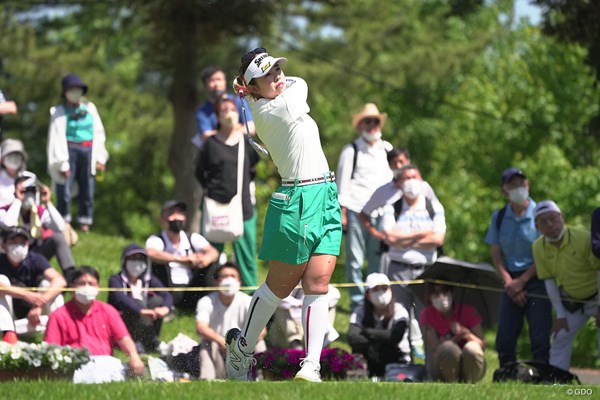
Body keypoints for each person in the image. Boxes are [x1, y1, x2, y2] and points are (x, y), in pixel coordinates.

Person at [226, 47, 342, 382]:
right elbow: (300, 81)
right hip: (299, 199)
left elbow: (286, 81)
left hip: (325, 195)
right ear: (253, 88)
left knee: (319, 282)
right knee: (279, 287)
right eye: (267, 76)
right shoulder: (283, 104)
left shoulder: (266, 101)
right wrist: (248, 89)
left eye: (277, 70)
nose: (278, 77)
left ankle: (311, 366)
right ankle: (242, 351)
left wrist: (248, 88)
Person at [484, 167, 551, 368]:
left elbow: (546, 254)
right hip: (510, 281)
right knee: (505, 336)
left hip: (537, 278)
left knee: (539, 335)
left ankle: (542, 374)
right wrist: (509, 282)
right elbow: (496, 252)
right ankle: (507, 374)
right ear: (504, 190)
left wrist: (522, 282)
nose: (518, 188)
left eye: (521, 183)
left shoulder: (541, 214)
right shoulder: (500, 216)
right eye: (512, 185)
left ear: (528, 185)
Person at [195, 95, 261, 287]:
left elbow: (253, 169)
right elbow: (199, 172)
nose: (228, 113)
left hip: (243, 207)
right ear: (216, 116)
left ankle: (249, 294)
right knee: (210, 254)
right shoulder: (210, 143)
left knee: (246, 255)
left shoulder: (246, 142)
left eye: (232, 109)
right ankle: (208, 293)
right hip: (214, 206)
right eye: (223, 110)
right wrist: (212, 192)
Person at [336, 103, 393, 309]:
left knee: (377, 261)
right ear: (360, 125)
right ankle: (358, 303)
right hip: (356, 209)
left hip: (381, 212)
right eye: (367, 121)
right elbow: (342, 184)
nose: (372, 125)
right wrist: (342, 212)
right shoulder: (351, 150)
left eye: (375, 121)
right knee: (355, 260)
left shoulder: (387, 150)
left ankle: (375, 302)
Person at [532, 200, 600, 371]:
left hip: (597, 296)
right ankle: (557, 381)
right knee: (560, 336)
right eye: (543, 222)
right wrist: (560, 315)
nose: (550, 225)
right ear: (536, 226)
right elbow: (549, 280)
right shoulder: (538, 247)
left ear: (562, 217)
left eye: (553, 218)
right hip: (573, 301)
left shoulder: (583, 238)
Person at [44, 266, 145, 378]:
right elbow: (50, 349)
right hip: (74, 367)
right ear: (72, 287)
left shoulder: (108, 311)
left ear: (97, 287)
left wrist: (134, 356)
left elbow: (123, 338)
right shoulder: (58, 316)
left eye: (91, 284)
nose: (87, 287)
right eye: (82, 283)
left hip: (106, 364)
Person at [379, 164, 446, 315]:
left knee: (427, 319)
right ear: (398, 183)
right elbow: (389, 238)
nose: (411, 181)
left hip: (426, 271)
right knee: (398, 316)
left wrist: (402, 240)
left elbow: (438, 239)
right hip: (397, 270)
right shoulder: (391, 208)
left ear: (422, 180)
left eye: (414, 177)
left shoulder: (434, 207)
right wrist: (423, 234)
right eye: (407, 178)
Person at [47, 73, 109, 233]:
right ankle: (63, 221)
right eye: (71, 89)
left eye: (77, 89)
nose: (75, 92)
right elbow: (56, 137)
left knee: (87, 187)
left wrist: (100, 157)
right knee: (64, 188)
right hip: (69, 151)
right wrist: (62, 162)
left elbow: (99, 133)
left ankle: (85, 222)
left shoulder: (90, 108)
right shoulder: (59, 111)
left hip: (88, 151)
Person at [195, 262, 266, 380]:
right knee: (206, 344)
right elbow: (201, 328)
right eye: (224, 276)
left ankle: (259, 378)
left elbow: (262, 330)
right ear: (217, 281)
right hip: (217, 349)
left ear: (239, 281)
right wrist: (221, 341)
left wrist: (241, 344)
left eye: (233, 276)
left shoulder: (248, 301)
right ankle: (207, 380)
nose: (229, 280)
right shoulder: (206, 301)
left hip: (244, 349)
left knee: (260, 344)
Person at [145, 200, 220, 311]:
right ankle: (166, 307)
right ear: (162, 219)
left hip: (190, 289)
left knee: (213, 265)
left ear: (184, 218)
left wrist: (204, 260)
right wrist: (180, 259)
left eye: (179, 213)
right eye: (171, 213)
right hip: (167, 289)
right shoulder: (156, 240)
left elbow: (214, 252)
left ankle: (212, 306)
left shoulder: (193, 238)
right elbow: (151, 253)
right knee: (158, 265)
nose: (176, 217)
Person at [0, 173, 76, 280]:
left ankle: (71, 277)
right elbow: (8, 225)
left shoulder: (39, 212)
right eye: (25, 191)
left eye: (33, 191)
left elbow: (60, 227)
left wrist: (48, 203)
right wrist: (18, 200)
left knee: (58, 238)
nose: (29, 195)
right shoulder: (5, 211)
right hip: (7, 257)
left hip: (33, 256)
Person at [0, 226, 66, 339]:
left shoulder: (35, 259)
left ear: (28, 244)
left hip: (36, 316)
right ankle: (8, 334)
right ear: (3, 245)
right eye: (13, 242)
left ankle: (60, 333)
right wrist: (27, 295)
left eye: (22, 242)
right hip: (9, 317)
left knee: (47, 284)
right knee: (2, 281)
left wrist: (39, 302)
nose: (18, 245)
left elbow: (60, 281)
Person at [108, 243, 173, 353]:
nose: (137, 263)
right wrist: (141, 310)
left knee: (157, 301)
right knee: (138, 302)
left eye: (141, 259)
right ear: (125, 261)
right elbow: (120, 298)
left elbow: (166, 295)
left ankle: (149, 340)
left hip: (146, 318)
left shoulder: (149, 280)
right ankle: (143, 341)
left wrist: (165, 308)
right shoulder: (116, 280)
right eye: (133, 259)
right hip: (124, 319)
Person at [420, 283, 486, 383]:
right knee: (448, 348)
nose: (441, 297)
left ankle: (470, 383)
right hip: (442, 364)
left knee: (472, 347)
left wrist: (466, 334)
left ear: (451, 293)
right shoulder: (427, 314)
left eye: (444, 292)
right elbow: (435, 348)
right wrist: (455, 338)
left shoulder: (469, 311)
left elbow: (482, 345)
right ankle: (452, 383)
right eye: (436, 294)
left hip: (470, 362)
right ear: (430, 298)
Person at [348, 273, 410, 378]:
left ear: (390, 291)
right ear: (367, 294)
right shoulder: (360, 311)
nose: (381, 293)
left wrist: (367, 331)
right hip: (368, 358)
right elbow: (353, 338)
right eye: (375, 290)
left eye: (384, 288)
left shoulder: (400, 310)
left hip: (397, 358)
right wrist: (382, 338)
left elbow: (395, 336)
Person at [193, 65, 255, 149]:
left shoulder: (238, 101)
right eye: (212, 80)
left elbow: (250, 129)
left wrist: (219, 133)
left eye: (219, 79)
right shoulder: (202, 111)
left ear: (225, 82)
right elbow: (206, 136)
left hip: (240, 149)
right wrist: (237, 127)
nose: (216, 84)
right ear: (205, 85)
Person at [268, 284, 341, 349]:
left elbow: (335, 294)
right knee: (280, 307)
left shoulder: (316, 282)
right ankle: (295, 343)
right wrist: (298, 303)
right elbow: (276, 297)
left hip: (309, 323)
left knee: (328, 306)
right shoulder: (287, 281)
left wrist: (315, 304)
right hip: (288, 328)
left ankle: (320, 342)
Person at [0, 139, 28, 207]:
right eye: (10, 155)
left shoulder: (29, 178)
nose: (14, 159)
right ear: (2, 159)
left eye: (17, 155)